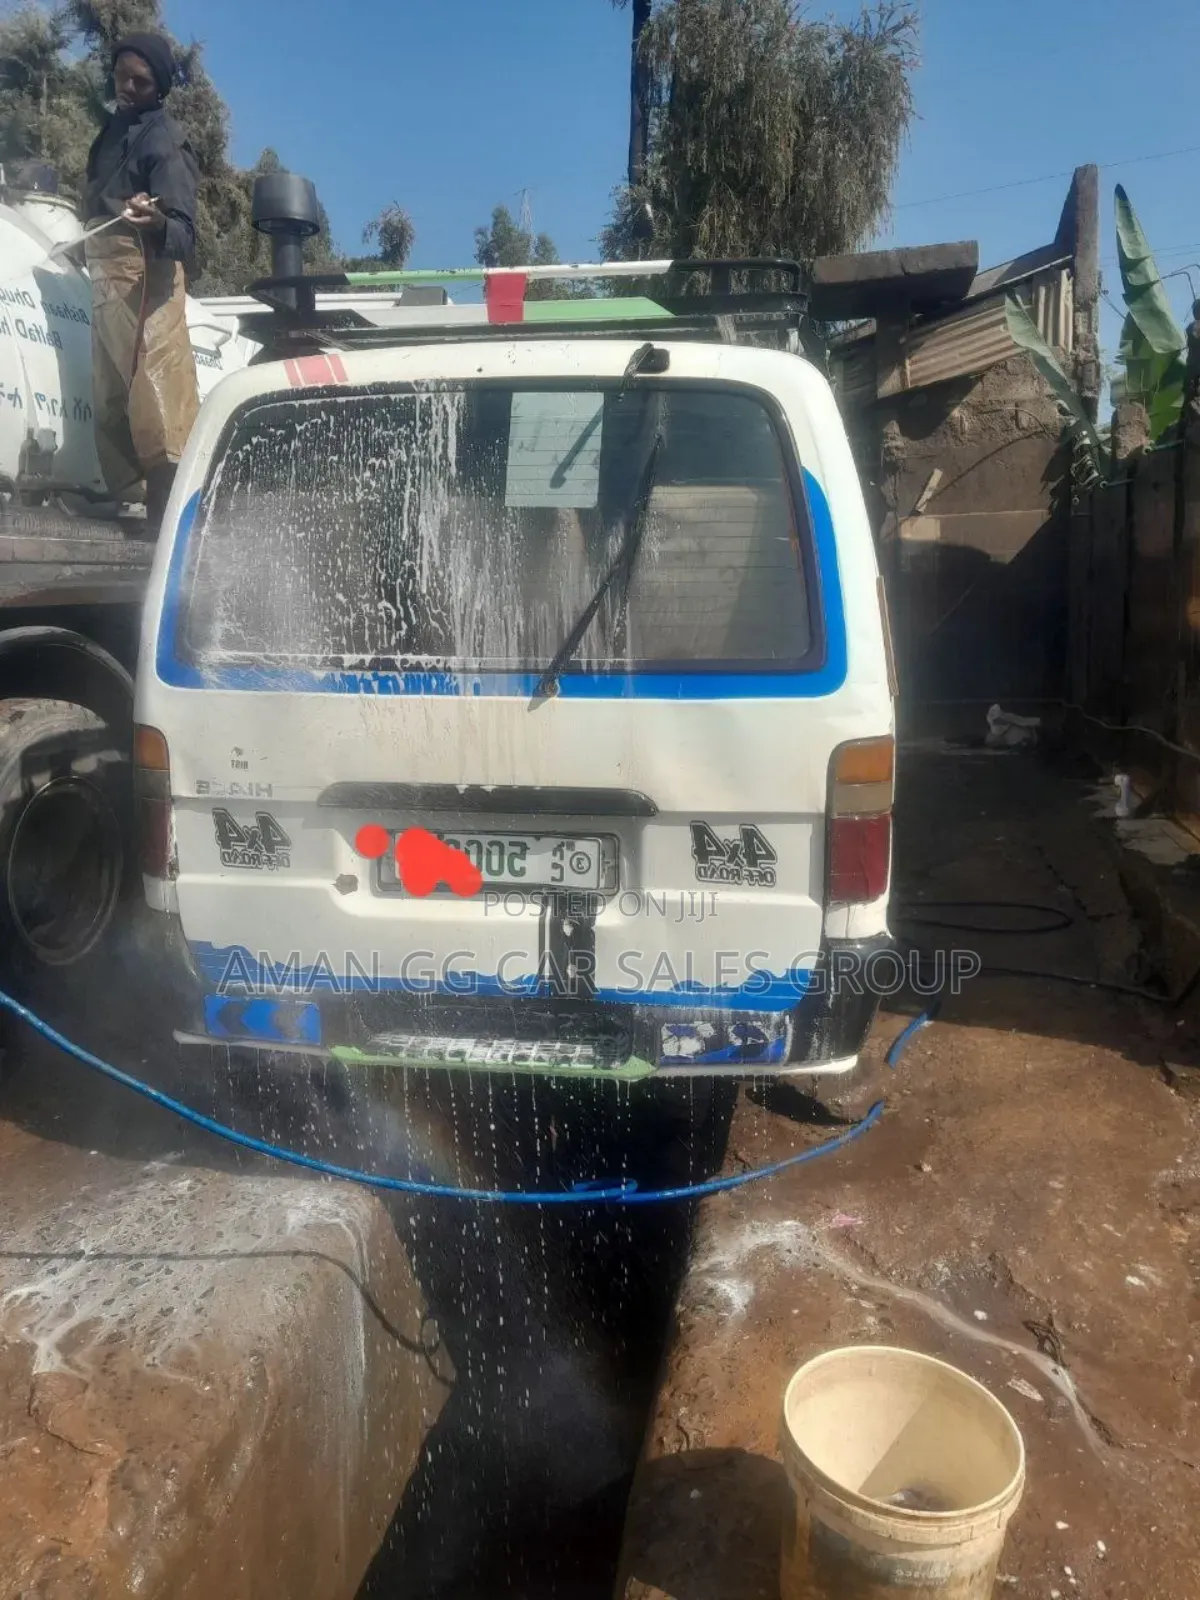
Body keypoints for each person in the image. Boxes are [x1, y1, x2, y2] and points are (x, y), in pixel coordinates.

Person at [82, 32, 201, 533]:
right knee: (110, 397)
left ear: (160, 87)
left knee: (157, 405)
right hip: (105, 275)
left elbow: (185, 235)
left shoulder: (165, 142)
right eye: (121, 76)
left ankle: (168, 526)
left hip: (145, 280)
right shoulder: (110, 132)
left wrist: (153, 223)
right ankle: (124, 508)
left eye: (140, 81)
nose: (127, 87)